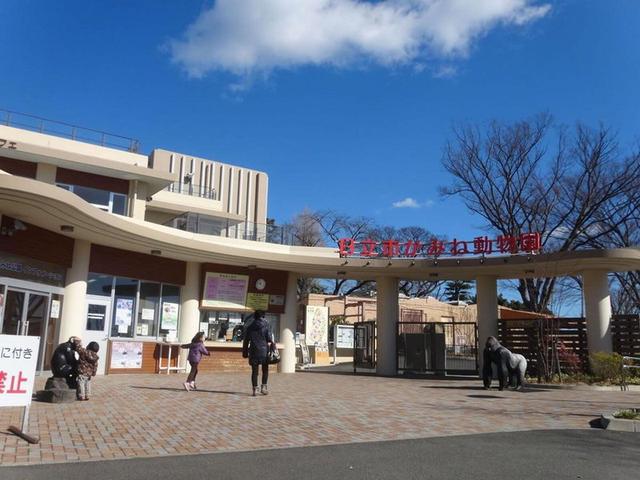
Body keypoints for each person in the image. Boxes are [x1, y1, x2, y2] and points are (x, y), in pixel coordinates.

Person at [242, 310, 272, 396]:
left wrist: (245, 352)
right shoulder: (265, 326)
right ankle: (264, 388)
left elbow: (246, 341)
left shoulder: (249, 327)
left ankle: (255, 389)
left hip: (253, 351)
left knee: (254, 371)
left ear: (254, 317)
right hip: (264, 351)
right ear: (262, 316)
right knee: (265, 370)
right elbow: (269, 339)